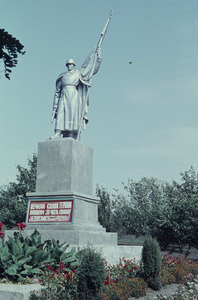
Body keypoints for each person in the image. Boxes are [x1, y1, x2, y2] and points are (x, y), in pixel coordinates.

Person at [50, 46, 102, 140]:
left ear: (74, 65)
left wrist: (97, 56)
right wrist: (54, 107)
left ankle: (71, 133)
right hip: (63, 95)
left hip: (73, 96)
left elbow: (91, 69)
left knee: (72, 114)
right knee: (61, 113)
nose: (69, 66)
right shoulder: (62, 76)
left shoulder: (78, 73)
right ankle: (57, 132)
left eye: (71, 64)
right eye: (68, 64)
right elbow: (57, 92)